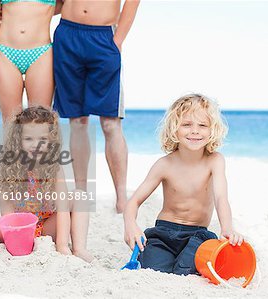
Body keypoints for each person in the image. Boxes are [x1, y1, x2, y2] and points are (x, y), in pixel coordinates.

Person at [0, 107, 91, 272]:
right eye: (28, 138)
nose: (36, 145)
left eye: (42, 139)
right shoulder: (8, 168)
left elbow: (63, 208)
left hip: (45, 227)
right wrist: (17, 240)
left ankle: (79, 249)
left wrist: (62, 245)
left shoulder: (54, 167)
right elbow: (7, 216)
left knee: (79, 196)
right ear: (17, 139)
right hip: (18, 231)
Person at [123, 94, 245, 275]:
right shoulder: (164, 164)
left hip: (197, 234)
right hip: (164, 233)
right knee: (155, 267)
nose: (194, 131)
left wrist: (227, 227)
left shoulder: (215, 161)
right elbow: (133, 201)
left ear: (212, 130)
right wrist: (130, 225)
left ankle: (184, 264)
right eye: (187, 124)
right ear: (174, 128)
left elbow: (221, 198)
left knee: (186, 268)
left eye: (202, 125)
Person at [53, 0, 140, 213]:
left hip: (104, 36)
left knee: (111, 124)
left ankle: (121, 198)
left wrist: (117, 41)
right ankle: (81, 192)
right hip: (68, 33)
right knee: (78, 121)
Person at [0, 0, 60, 121]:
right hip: (5, 53)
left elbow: (69, 6)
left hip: (41, 54)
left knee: (41, 120)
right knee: (10, 123)